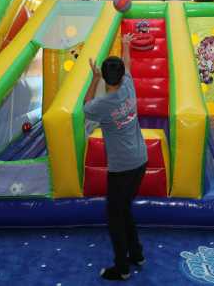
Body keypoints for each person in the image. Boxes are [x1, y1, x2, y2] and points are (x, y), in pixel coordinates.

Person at [83, 33, 148, 280]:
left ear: (106, 77)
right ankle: (137, 254)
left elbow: (85, 105)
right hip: (141, 161)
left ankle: (121, 268)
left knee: (115, 218)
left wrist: (94, 79)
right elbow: (127, 63)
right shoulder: (129, 85)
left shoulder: (103, 104)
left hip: (121, 168)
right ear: (121, 75)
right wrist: (126, 45)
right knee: (124, 210)